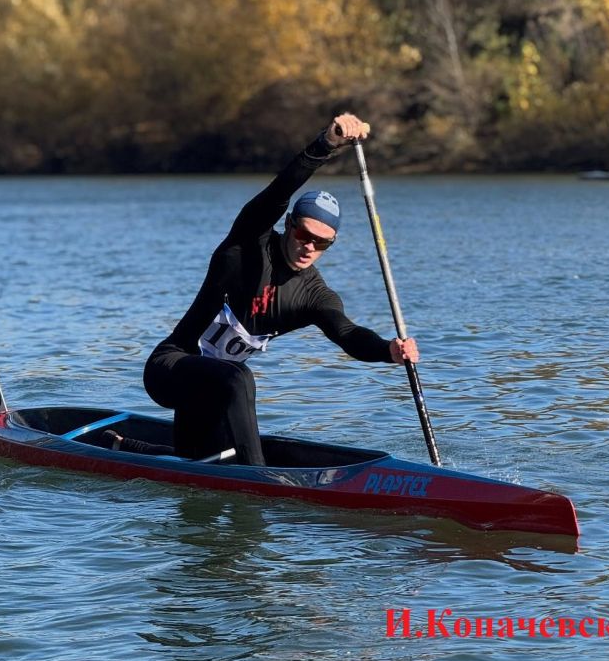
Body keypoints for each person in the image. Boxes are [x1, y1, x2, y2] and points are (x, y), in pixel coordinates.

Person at [142, 113, 419, 465]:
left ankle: (123, 446)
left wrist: (388, 350)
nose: (309, 247)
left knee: (196, 462)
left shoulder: (314, 294)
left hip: (212, 395)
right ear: (288, 224)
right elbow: (280, 190)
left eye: (322, 243)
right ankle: (259, 479)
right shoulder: (247, 245)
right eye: (303, 234)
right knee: (240, 377)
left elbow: (348, 333)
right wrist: (326, 144)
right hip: (170, 369)